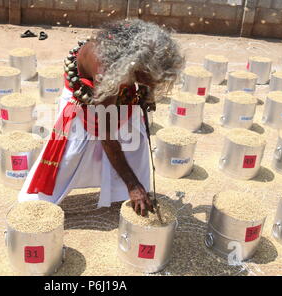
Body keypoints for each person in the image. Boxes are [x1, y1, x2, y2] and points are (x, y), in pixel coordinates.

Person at [18, 19, 183, 216]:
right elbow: (106, 135)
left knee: (135, 141)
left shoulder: (140, 48)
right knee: (72, 153)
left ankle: (121, 193)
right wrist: (133, 184)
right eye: (152, 78)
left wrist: (148, 94)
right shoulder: (107, 73)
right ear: (138, 68)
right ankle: (39, 201)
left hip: (117, 87)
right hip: (90, 97)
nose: (155, 82)